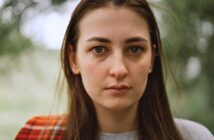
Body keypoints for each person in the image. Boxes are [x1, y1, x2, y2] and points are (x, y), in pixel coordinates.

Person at [15, 0, 214, 140]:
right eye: (99, 49)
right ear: (73, 59)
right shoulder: (36, 134)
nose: (119, 70)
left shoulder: (193, 137)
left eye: (135, 49)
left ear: (152, 58)